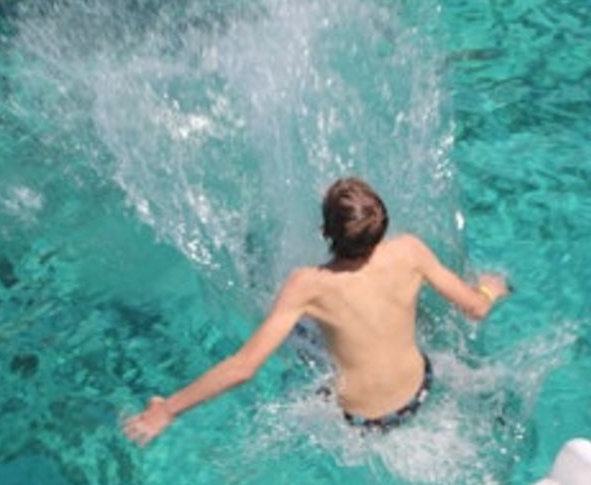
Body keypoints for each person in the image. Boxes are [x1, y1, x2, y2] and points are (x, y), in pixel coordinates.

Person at [121, 177, 508, 445]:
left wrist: (167, 410)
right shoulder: (410, 251)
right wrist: (491, 288)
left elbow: (244, 367)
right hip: (420, 393)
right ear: (382, 226)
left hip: (364, 425)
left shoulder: (308, 284)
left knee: (296, 343)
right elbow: (474, 308)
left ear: (326, 234)